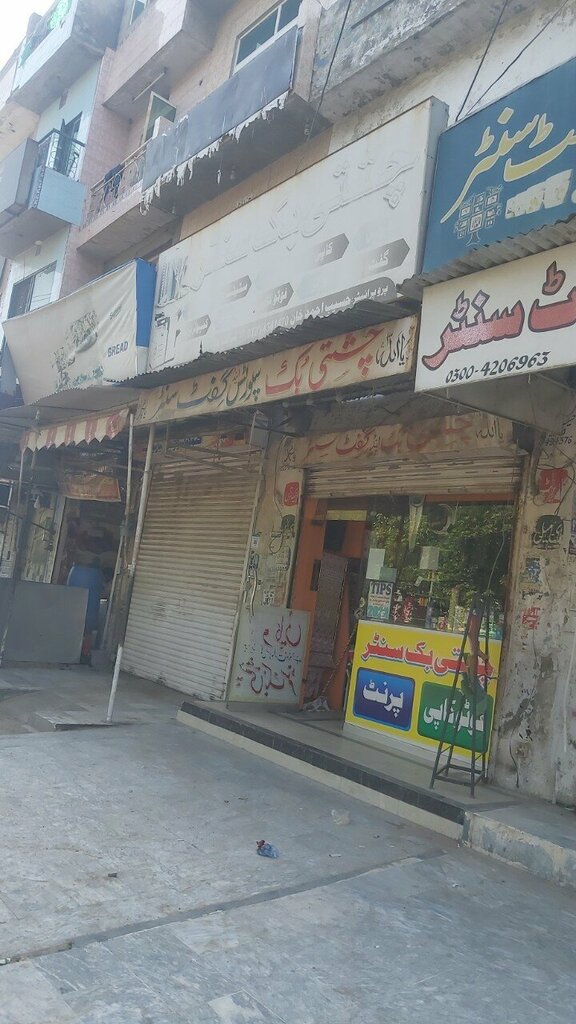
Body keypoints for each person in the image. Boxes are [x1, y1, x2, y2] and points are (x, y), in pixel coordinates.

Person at [67, 557, 104, 663]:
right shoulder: (95, 574)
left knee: (83, 627)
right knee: (87, 628)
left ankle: (81, 652)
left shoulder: (77, 571)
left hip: (80, 610)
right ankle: (85, 653)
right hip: (89, 609)